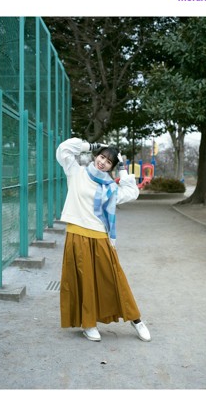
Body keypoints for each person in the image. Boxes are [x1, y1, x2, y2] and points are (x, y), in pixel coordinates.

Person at [56, 137, 151, 342]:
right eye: (101, 157)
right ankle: (89, 324)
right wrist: (90, 145)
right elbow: (64, 149)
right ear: (96, 156)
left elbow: (132, 192)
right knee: (84, 281)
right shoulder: (76, 172)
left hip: (100, 237)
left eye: (108, 162)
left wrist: (124, 169)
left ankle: (136, 320)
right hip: (77, 234)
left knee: (115, 279)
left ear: (111, 167)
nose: (103, 162)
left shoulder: (110, 187)